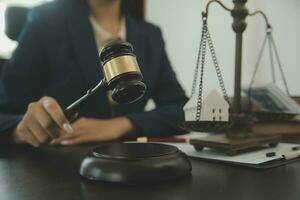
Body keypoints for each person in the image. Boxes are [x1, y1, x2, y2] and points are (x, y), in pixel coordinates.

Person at [0, 0, 187, 147]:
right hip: (64, 167)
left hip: (133, 163)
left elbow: (180, 109)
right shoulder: (44, 22)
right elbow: (4, 113)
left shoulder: (150, 34)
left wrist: (123, 124)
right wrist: (21, 130)